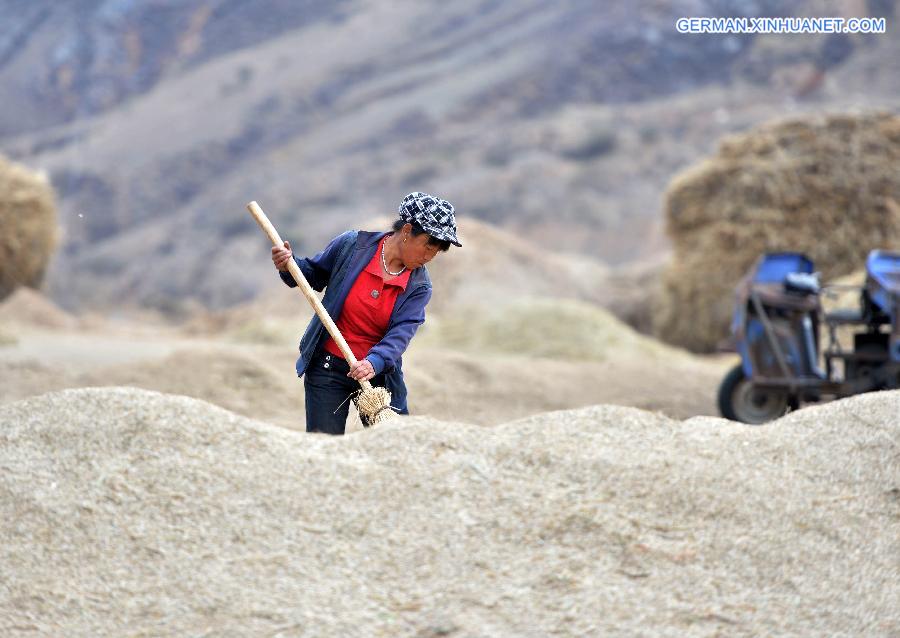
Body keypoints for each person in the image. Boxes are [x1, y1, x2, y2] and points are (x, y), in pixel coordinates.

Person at [271, 192, 461, 435]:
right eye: (429, 244)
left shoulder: (419, 287)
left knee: (394, 448)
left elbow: (400, 335)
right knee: (325, 448)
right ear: (406, 231)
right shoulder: (352, 246)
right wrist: (288, 264)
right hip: (327, 367)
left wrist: (374, 362)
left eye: (438, 250)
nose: (430, 256)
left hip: (378, 378)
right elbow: (312, 275)